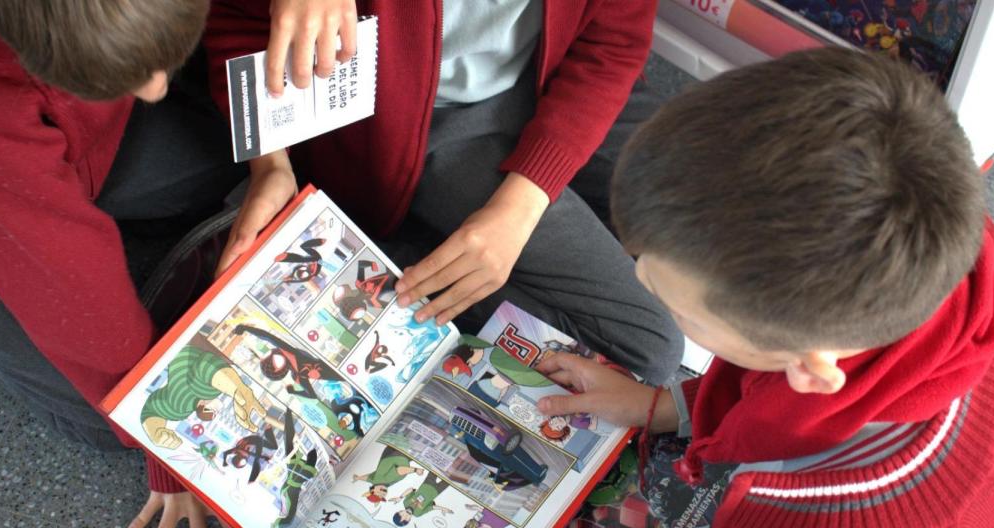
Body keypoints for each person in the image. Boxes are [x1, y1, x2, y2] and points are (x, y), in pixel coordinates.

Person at [313, 48, 994, 528]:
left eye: (674, 301)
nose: (637, 283)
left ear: (809, 367)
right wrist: (665, 404)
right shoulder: (958, 238)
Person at [203, 0, 684, 384]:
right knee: (648, 349)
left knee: (724, 224)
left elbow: (614, 42)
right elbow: (233, 24)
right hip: (431, 119)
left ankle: (408, 242)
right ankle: (387, 252)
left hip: (556, 71)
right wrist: (270, 164)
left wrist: (524, 200)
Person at [0, 2, 251, 528]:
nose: (155, 90)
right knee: (103, 423)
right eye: (133, 74)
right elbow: (76, 295)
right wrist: (171, 448)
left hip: (77, 131)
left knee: (236, 165)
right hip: (5, 179)